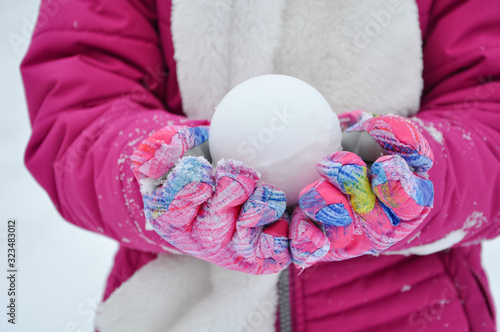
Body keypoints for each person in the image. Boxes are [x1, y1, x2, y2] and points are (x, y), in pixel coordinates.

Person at [21, 0, 500, 331]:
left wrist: (417, 175)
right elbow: (80, 110)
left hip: (414, 308)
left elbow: (489, 108)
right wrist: (160, 176)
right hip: (178, 312)